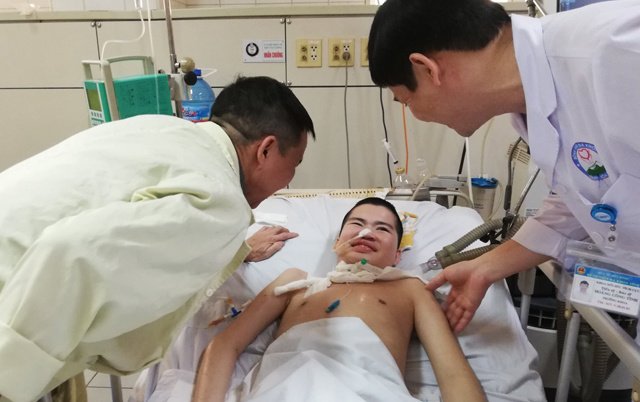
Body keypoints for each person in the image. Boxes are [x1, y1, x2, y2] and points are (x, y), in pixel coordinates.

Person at [0, 75, 315, 402]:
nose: (288, 180)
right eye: (294, 164)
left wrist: (233, 249)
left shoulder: (159, 128)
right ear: (265, 149)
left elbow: (122, 216)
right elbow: (70, 253)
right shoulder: (220, 201)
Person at [368, 0, 640, 333]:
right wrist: (486, 267)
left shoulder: (620, 53)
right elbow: (586, 200)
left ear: (427, 70)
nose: (416, 115)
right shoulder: (536, 104)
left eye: (407, 101)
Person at [192, 197, 487, 402]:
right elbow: (225, 345)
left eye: (383, 229)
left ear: (398, 255)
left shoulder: (411, 288)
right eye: (357, 223)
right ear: (336, 243)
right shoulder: (294, 283)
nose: (367, 232)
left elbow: (453, 373)